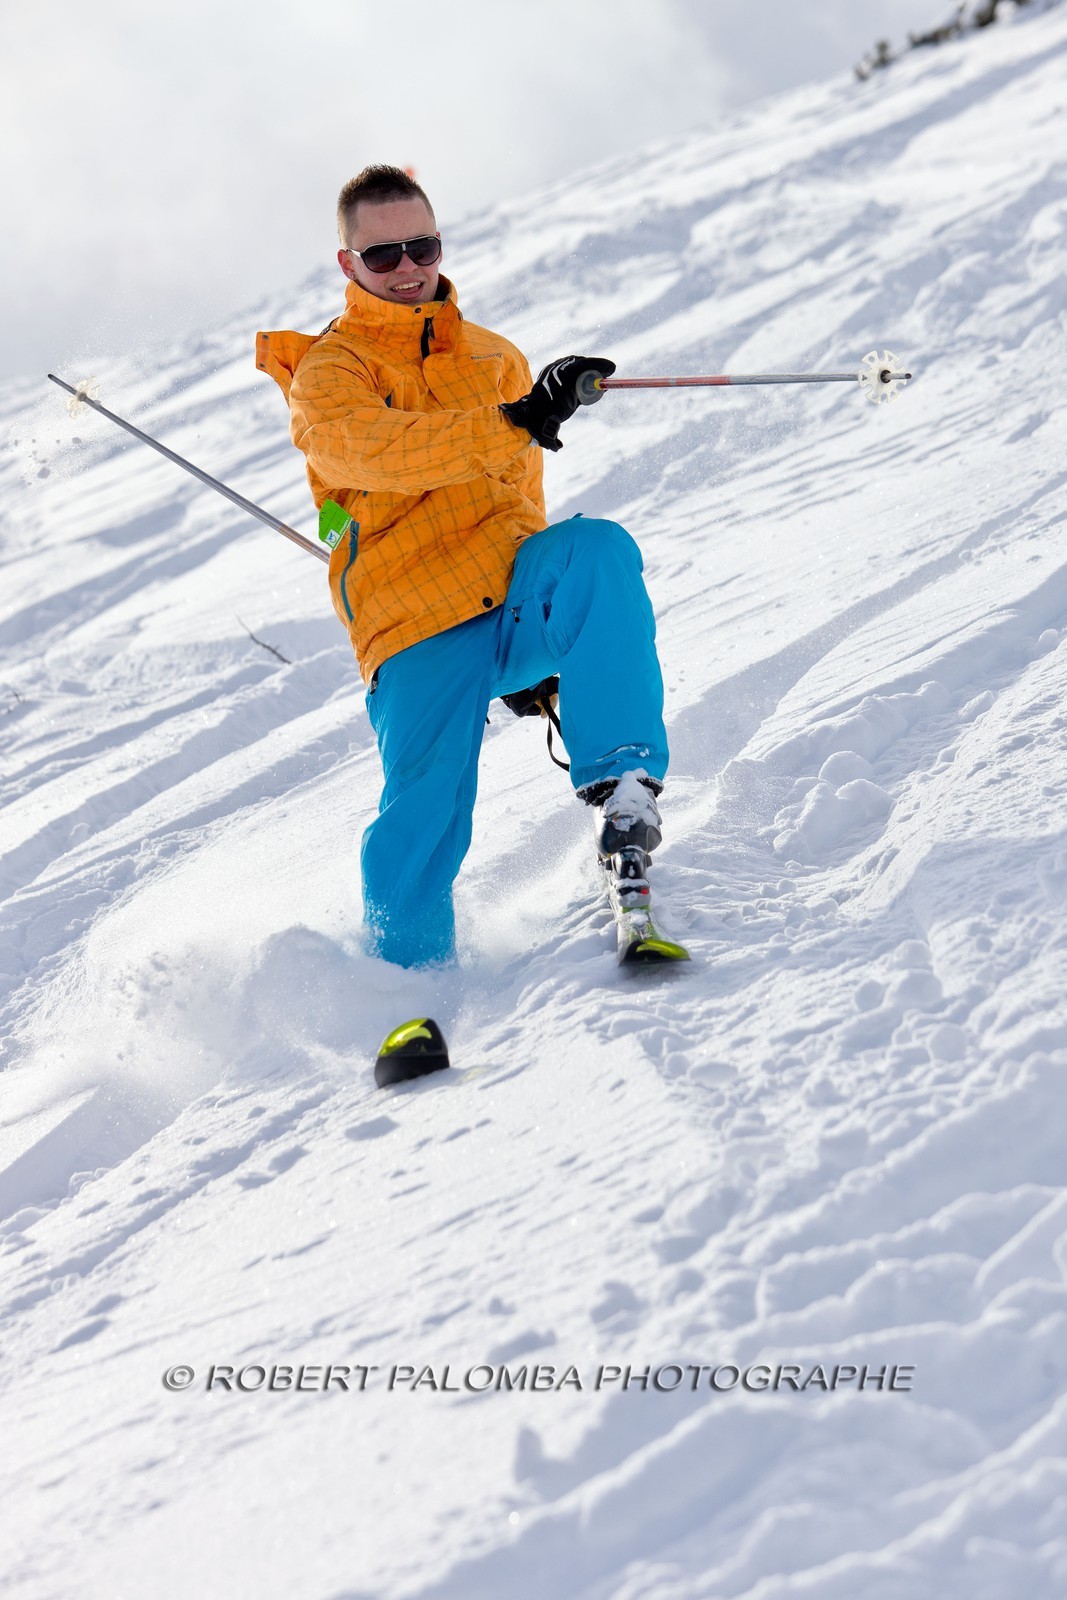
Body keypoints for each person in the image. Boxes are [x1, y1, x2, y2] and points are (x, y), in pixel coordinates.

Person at [257, 165, 669, 968]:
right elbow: (373, 451)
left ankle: (623, 789)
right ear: (348, 266)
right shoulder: (331, 374)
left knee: (595, 551)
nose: (408, 268)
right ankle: (405, 977)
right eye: (383, 257)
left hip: (507, 594)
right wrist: (509, 422)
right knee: (426, 805)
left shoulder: (492, 356)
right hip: (412, 615)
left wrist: (549, 641)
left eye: (423, 246)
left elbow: (519, 496)